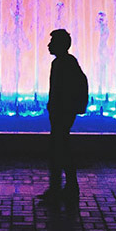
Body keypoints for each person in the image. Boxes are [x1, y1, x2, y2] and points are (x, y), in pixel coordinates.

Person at [38, 29, 83, 204]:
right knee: (60, 148)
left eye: (52, 42)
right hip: (61, 112)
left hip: (63, 112)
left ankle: (64, 188)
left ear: (60, 45)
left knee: (60, 148)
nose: (49, 45)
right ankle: (63, 187)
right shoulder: (62, 62)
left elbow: (67, 87)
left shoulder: (65, 63)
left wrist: (64, 106)